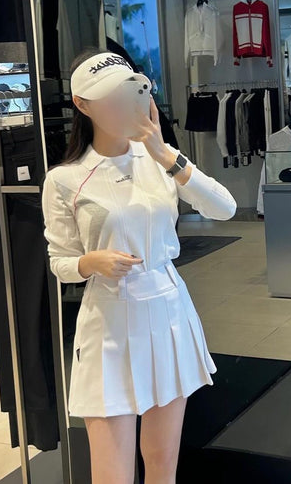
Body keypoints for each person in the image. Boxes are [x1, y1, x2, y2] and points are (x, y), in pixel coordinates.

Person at [41, 48, 237, 484]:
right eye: (109, 97)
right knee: (112, 474)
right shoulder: (65, 178)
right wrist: (90, 262)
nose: (124, 105)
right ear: (83, 105)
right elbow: (60, 261)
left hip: (169, 312)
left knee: (163, 465)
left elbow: (224, 208)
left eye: (130, 93)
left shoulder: (160, 159)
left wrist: (166, 155)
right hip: (109, 322)